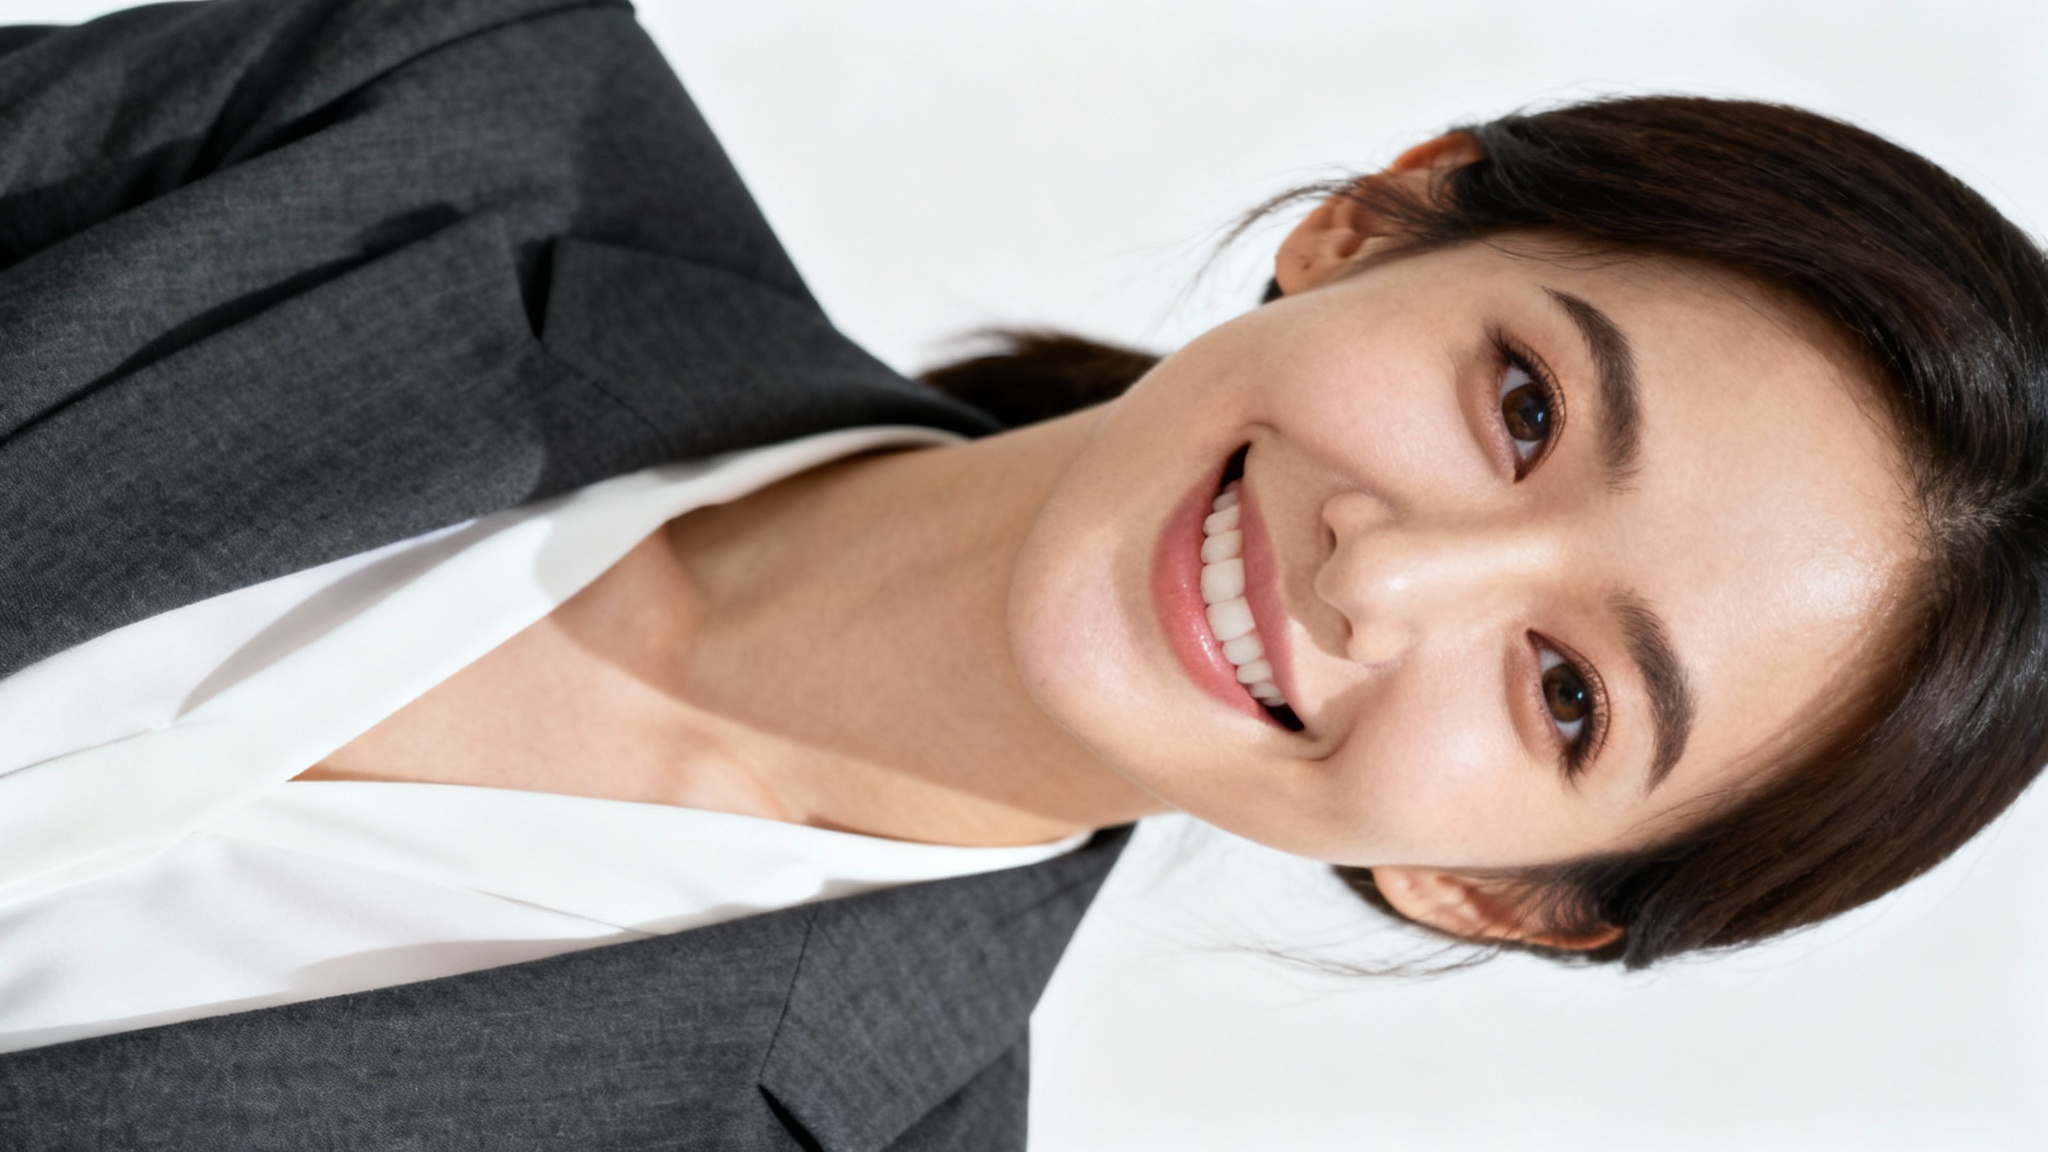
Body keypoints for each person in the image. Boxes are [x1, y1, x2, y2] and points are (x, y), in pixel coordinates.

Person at [1, 0, 2044, 1146]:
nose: (1392, 573)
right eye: (1521, 406)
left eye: (1568, 693)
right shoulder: (454, 103)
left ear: (1495, 893)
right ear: (1367, 225)